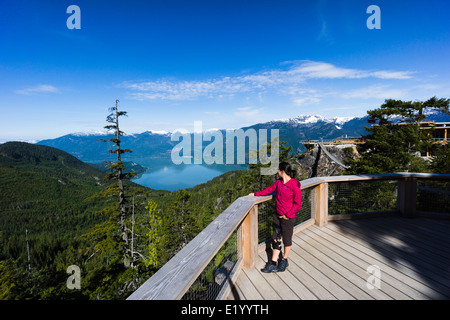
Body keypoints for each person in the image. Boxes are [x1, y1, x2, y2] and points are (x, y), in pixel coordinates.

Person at [248, 161, 302, 273]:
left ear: (282, 171)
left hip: (288, 218)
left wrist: (288, 215)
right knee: (276, 239)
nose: (277, 172)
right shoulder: (278, 183)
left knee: (287, 240)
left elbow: (298, 204)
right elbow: (268, 190)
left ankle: (284, 260)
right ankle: (272, 263)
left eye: (278, 170)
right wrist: (255, 194)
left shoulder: (294, 185)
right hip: (277, 216)